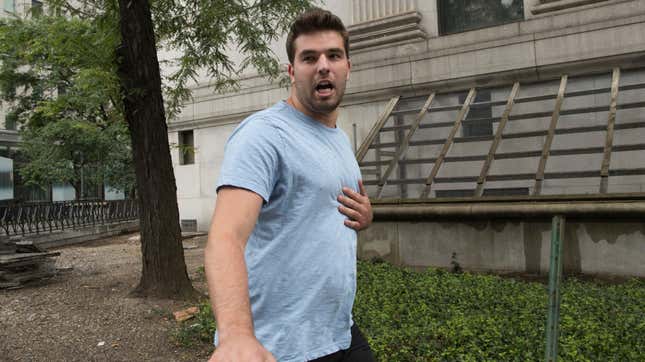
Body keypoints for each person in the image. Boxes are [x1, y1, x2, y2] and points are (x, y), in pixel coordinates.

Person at [205, 8, 375, 362]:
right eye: (309, 57)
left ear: (348, 67)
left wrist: (366, 215)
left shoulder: (339, 140)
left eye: (334, 55)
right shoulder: (263, 136)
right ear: (292, 71)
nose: (323, 65)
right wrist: (236, 336)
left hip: (337, 331)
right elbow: (225, 237)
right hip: (280, 345)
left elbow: (322, 205)